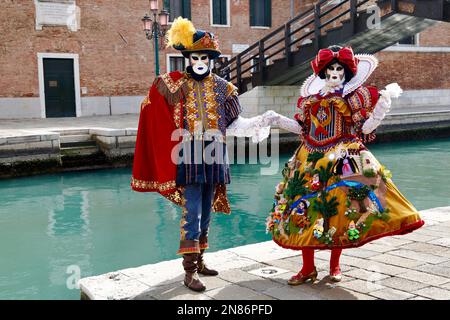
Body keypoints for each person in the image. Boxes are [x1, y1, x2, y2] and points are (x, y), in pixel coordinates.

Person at [265, 45, 424, 285]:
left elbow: (365, 129)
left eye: (339, 68)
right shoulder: (309, 101)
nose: (335, 72)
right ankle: (307, 268)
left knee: (340, 211)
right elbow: (302, 129)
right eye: (331, 68)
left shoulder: (354, 98)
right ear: (323, 72)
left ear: (345, 72)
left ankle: (335, 266)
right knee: (305, 211)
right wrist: (276, 119)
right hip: (309, 158)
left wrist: (382, 107)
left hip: (343, 157)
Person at [131, 17, 242, 292]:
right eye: (195, 56)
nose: (200, 60)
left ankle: (201, 260)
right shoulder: (175, 84)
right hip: (189, 154)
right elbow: (153, 106)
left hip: (214, 152)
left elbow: (233, 115)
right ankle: (189, 272)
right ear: (188, 59)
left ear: (211, 59)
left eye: (205, 56)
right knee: (192, 211)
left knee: (206, 210)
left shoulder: (222, 86)